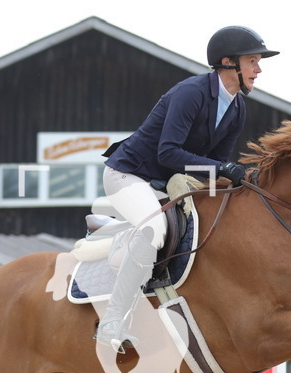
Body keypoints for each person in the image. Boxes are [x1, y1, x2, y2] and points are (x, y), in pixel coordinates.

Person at [94, 26, 279, 353]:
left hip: (165, 182)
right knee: (152, 230)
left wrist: (236, 178)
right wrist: (222, 169)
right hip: (130, 175)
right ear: (228, 62)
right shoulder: (191, 93)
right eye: (252, 61)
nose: (259, 69)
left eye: (258, 62)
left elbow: (214, 165)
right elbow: (169, 152)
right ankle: (111, 322)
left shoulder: (237, 108)